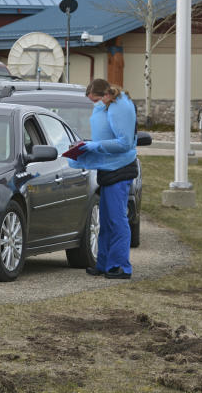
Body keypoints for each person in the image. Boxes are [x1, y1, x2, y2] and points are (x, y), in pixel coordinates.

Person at [67, 78, 138, 280]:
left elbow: (124, 143)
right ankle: (105, 263)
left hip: (119, 168)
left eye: (96, 100)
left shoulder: (120, 106)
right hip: (108, 168)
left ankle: (121, 266)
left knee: (117, 220)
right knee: (106, 221)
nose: (96, 104)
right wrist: (87, 145)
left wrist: (92, 147)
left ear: (106, 95)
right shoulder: (109, 105)